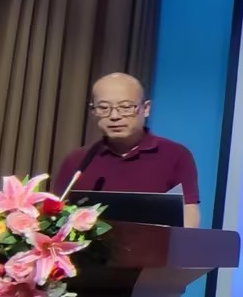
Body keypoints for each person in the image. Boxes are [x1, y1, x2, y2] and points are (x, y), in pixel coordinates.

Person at [54, 72, 203, 227]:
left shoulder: (175, 155)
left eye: (125, 107)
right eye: (103, 108)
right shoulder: (78, 160)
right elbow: (57, 213)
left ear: (146, 108)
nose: (114, 116)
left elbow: (188, 212)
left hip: (153, 242)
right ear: (93, 111)